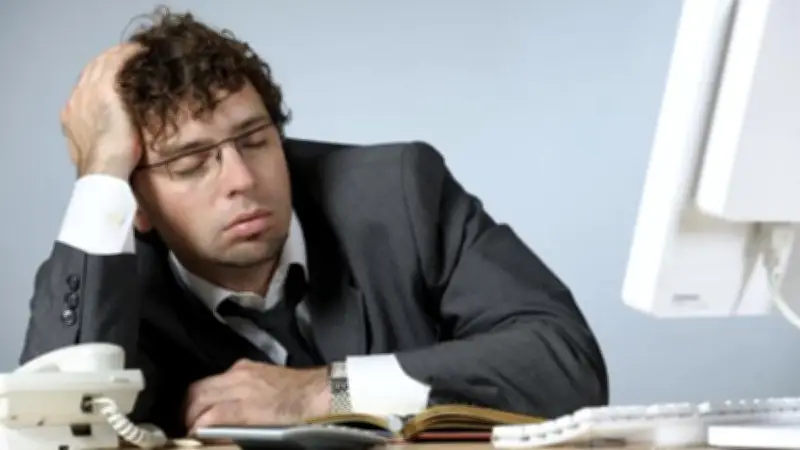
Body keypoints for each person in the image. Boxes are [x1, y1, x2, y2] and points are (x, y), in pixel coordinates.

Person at [20, 8, 608, 438]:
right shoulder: (105, 271)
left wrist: (323, 391)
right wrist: (100, 172)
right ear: (137, 204)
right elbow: (49, 431)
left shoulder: (398, 193)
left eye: (255, 140)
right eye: (192, 163)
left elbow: (565, 361)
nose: (241, 179)